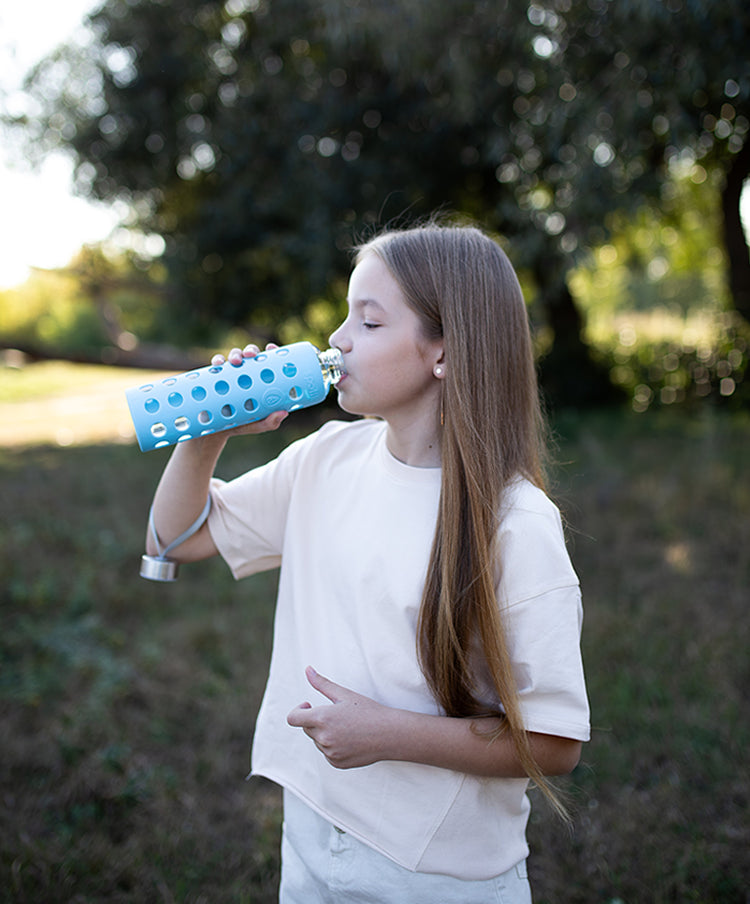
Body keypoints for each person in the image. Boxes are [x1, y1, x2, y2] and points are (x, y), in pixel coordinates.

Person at [145, 223, 590, 903]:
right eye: (346, 315)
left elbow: (554, 744)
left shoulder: (517, 526)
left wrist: (391, 735)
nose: (339, 340)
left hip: (437, 871)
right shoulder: (326, 458)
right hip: (314, 828)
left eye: (369, 320)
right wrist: (208, 436)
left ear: (443, 351)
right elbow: (173, 541)